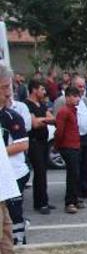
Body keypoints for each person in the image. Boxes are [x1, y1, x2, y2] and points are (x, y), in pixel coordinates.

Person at [0, 63, 35, 254]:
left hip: (3, 192)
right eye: (3, 89)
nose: (8, 94)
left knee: (5, 250)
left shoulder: (7, 114)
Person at [56, 77, 87, 198]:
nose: (82, 89)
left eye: (84, 86)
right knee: (75, 168)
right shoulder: (62, 102)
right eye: (79, 87)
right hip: (74, 139)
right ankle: (76, 193)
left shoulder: (84, 100)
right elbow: (58, 123)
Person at [1, 81, 30, 245]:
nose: (8, 93)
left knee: (14, 210)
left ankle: (19, 241)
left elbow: (23, 144)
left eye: (8, 88)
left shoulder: (11, 117)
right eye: (4, 88)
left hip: (14, 172)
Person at [25, 80, 56, 214]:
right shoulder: (27, 105)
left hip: (43, 141)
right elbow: (34, 124)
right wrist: (44, 120)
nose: (44, 92)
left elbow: (53, 119)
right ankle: (40, 203)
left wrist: (42, 119)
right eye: (42, 89)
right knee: (39, 171)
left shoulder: (41, 104)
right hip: (34, 142)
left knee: (43, 172)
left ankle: (43, 200)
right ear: (34, 90)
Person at [54, 87, 83, 214]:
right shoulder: (63, 111)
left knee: (76, 174)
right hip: (68, 147)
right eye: (75, 96)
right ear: (67, 97)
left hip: (75, 145)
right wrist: (58, 145)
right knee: (72, 174)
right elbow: (59, 131)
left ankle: (75, 199)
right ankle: (69, 202)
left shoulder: (72, 110)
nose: (78, 99)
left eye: (78, 96)